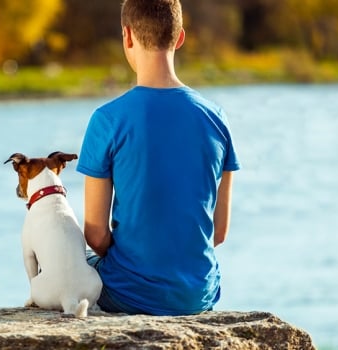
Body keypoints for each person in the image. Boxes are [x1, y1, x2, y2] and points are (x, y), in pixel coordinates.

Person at [76, 0, 241, 316]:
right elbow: (218, 233)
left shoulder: (107, 120)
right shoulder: (216, 118)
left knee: (62, 259)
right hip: (198, 295)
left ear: (127, 36)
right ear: (180, 38)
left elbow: (96, 236)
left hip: (127, 295)